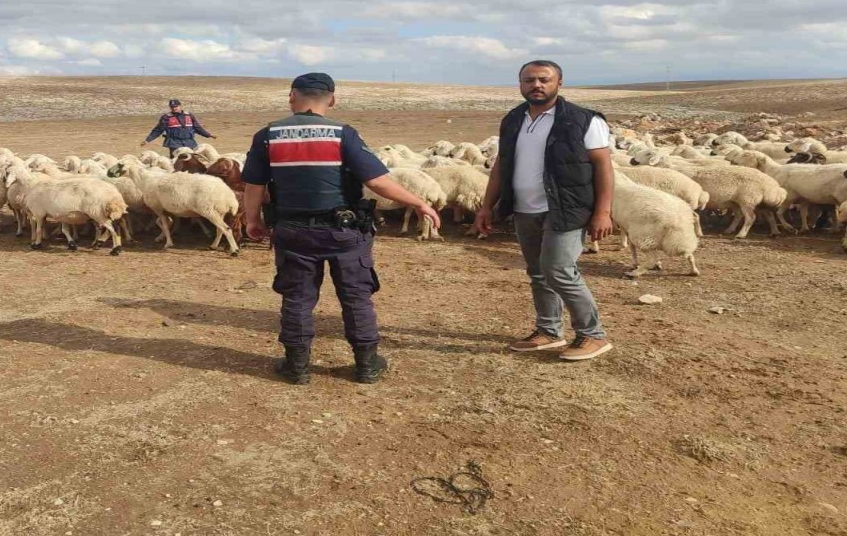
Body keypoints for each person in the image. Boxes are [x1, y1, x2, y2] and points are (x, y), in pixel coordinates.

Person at [242, 73, 442, 385]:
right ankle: (366, 365)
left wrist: (251, 220)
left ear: (291, 96)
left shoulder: (268, 135)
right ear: (332, 99)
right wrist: (419, 202)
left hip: (292, 230)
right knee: (355, 296)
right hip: (343, 232)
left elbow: (254, 185)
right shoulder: (343, 134)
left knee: (297, 297)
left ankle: (297, 366)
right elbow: (376, 181)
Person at [474, 60, 615, 362]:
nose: (536, 85)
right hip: (525, 207)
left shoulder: (583, 119)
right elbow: (502, 163)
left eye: (543, 79)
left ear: (558, 83)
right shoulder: (513, 119)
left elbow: (603, 165)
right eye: (529, 80)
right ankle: (549, 331)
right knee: (538, 272)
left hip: (566, 206)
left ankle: (593, 334)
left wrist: (603, 211)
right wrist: (488, 206)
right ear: (520, 84)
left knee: (559, 269)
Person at [140, 99, 215, 157]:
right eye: (172, 107)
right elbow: (158, 130)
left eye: (176, 106)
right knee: (176, 161)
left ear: (180, 106)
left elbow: (197, 127)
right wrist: (148, 140)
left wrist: (208, 135)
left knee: (192, 159)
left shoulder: (189, 115)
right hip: (174, 143)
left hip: (189, 142)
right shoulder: (166, 117)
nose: (174, 108)